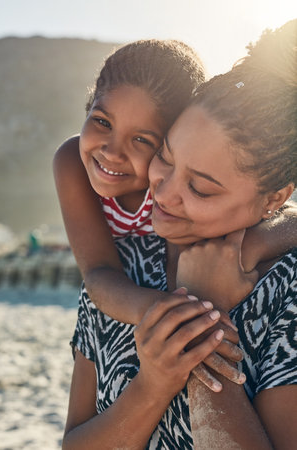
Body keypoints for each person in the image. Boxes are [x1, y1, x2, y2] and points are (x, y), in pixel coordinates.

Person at [62, 20, 297, 449]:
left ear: (275, 197)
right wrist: (152, 386)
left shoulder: (288, 289)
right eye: (166, 156)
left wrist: (203, 313)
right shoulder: (126, 267)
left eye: (201, 187)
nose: (163, 193)